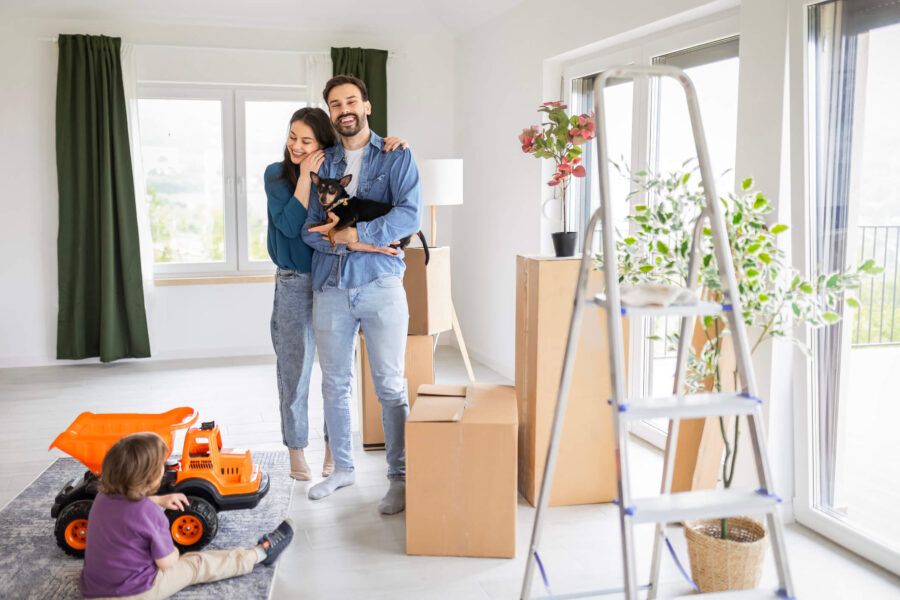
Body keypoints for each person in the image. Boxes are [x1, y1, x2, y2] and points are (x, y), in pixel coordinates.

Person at [265, 107, 408, 481]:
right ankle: (296, 450)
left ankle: (334, 450)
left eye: (306, 140)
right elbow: (293, 226)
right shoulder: (276, 175)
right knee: (295, 370)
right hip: (296, 279)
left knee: (336, 375)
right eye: (292, 137)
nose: (296, 145)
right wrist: (304, 181)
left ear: (322, 145)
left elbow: (351, 225)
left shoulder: (333, 175)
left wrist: (394, 142)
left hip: (333, 276)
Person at [301, 75, 421, 515]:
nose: (344, 109)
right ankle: (342, 470)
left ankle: (401, 478)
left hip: (382, 284)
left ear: (367, 106)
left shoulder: (397, 155)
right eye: (335, 104)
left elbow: (409, 215)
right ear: (331, 112)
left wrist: (354, 233)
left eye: (351, 100)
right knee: (334, 385)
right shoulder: (325, 163)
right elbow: (308, 229)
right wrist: (350, 240)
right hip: (330, 287)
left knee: (390, 386)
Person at [80, 432, 293, 599]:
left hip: (93, 588)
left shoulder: (102, 496)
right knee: (195, 563)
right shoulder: (150, 514)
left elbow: (126, 510)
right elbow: (167, 563)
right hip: (136, 593)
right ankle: (260, 554)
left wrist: (160, 500)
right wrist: (172, 549)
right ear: (153, 477)